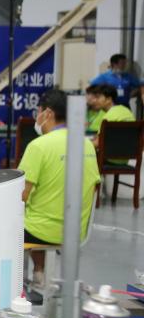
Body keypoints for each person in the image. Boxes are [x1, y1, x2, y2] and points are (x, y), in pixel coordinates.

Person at [18, 89, 100, 285]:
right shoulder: (87, 145)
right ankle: (40, 271)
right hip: (76, 231)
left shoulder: (39, 146)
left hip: (40, 231)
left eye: (38, 111)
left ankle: (22, 279)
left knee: (5, 219)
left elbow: (20, 195)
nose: (37, 117)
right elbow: (93, 187)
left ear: (48, 113)